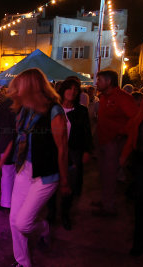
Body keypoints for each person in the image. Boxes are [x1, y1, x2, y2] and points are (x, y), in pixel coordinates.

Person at [0, 68, 71, 267]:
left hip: (45, 175)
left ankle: (43, 227)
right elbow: (17, 140)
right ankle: (23, 262)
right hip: (24, 169)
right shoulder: (24, 110)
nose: (15, 93)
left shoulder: (54, 111)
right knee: (13, 220)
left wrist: (65, 180)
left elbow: (62, 149)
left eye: (19, 88)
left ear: (31, 88)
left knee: (23, 222)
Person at [48, 78, 93, 230]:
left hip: (73, 152)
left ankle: (65, 214)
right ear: (63, 90)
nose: (72, 92)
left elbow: (87, 133)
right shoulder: (53, 109)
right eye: (69, 88)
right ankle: (52, 213)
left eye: (75, 89)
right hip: (53, 151)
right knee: (51, 184)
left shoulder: (81, 111)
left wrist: (87, 151)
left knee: (70, 184)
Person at [93, 70, 138, 216]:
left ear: (108, 82)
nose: (96, 83)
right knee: (104, 174)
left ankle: (109, 207)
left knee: (110, 174)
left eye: (99, 80)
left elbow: (135, 119)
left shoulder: (122, 98)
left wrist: (121, 132)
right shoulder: (104, 97)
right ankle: (106, 200)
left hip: (113, 142)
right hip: (103, 140)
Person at [120, 96, 143, 256]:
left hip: (141, 159)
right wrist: (125, 155)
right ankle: (139, 242)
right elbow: (133, 133)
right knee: (141, 202)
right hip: (142, 159)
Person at [0, 81, 18, 211]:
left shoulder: (3, 106)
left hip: (5, 142)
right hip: (17, 143)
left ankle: (6, 203)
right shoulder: (23, 105)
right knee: (16, 174)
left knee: (7, 173)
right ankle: (15, 202)